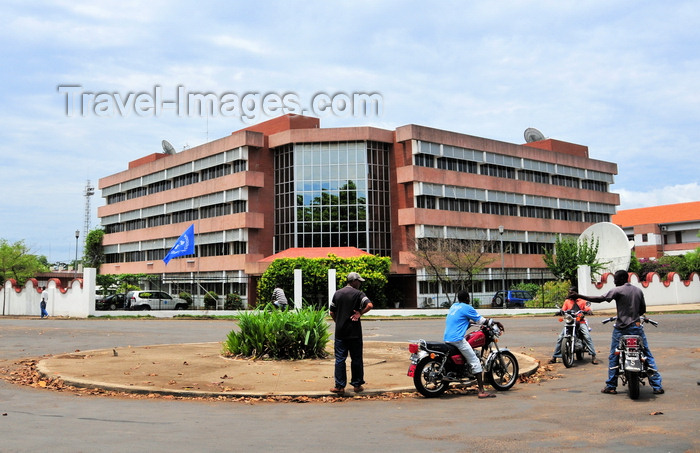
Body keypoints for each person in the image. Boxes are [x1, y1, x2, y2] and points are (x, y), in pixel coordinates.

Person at [575, 269, 664, 395]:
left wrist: (579, 296)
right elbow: (642, 309)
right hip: (636, 327)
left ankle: (611, 386)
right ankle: (657, 386)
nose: (615, 281)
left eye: (616, 279)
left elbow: (600, 299)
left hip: (621, 329)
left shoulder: (617, 290)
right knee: (646, 353)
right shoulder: (638, 291)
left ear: (622, 279)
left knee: (614, 355)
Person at [444, 289, 504, 399]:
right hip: (457, 339)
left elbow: (463, 320)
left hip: (448, 338)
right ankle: (481, 391)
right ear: (467, 298)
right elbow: (482, 321)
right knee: (475, 361)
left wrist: (471, 323)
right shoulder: (467, 307)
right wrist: (496, 322)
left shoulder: (454, 306)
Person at [329, 272, 373, 395]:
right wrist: (360, 313)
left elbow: (332, 312)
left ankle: (339, 386)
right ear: (353, 281)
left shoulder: (337, 294)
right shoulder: (359, 294)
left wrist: (338, 322)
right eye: (359, 281)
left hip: (340, 333)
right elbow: (369, 305)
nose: (360, 283)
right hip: (355, 333)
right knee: (356, 359)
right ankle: (357, 385)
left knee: (340, 359)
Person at [548, 288, 598, 365]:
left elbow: (587, 308)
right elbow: (563, 310)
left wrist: (588, 311)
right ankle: (554, 357)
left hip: (580, 321)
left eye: (572, 292)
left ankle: (593, 356)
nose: (570, 294)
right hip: (570, 322)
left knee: (587, 336)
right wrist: (560, 312)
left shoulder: (582, 300)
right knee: (560, 337)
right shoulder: (567, 301)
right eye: (569, 292)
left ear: (576, 293)